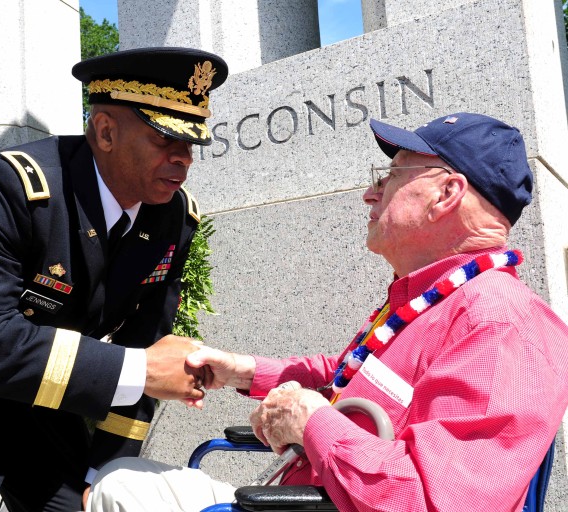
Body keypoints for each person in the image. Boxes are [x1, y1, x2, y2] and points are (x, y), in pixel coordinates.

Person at [86, 112, 568, 512]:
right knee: (118, 477)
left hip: (315, 502)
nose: (370, 193)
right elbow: (348, 374)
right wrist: (244, 372)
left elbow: (429, 501)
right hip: (301, 494)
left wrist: (311, 421)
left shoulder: (503, 325)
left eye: (390, 176)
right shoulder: (434, 300)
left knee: (117, 490)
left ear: (446, 195)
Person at [0, 47, 228, 512]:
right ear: (105, 132)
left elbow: (145, 340)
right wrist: (142, 370)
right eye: (165, 140)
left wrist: (104, 472)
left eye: (191, 144)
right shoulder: (9, 188)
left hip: (44, 401)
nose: (184, 158)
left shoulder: (174, 218)